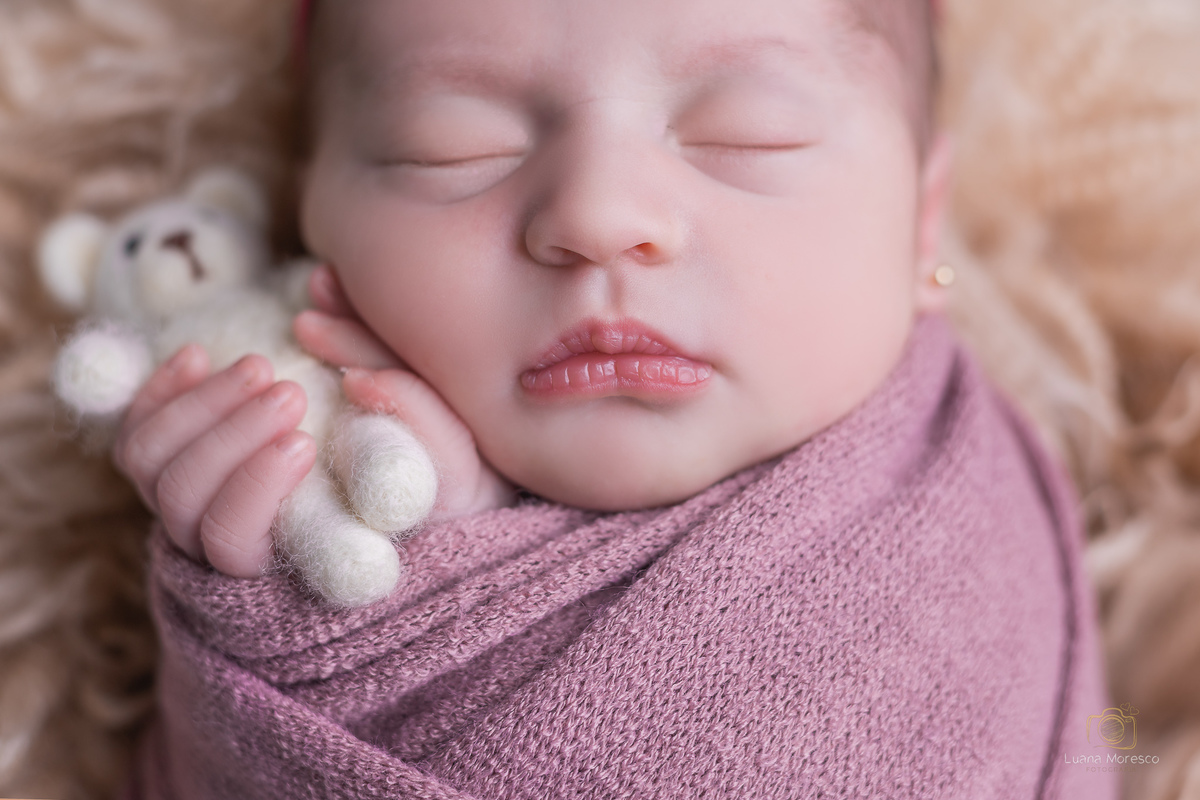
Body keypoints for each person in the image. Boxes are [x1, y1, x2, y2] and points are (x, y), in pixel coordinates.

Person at [118, 0, 1118, 797]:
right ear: (311, 217)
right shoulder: (304, 468)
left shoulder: (961, 532)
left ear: (922, 221)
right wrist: (299, 578)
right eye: (451, 146)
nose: (598, 213)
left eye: (747, 135)